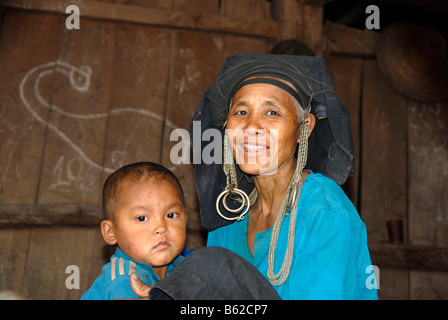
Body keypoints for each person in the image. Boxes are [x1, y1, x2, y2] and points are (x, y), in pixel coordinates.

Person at [130, 54, 378, 300]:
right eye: (240, 112)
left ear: (305, 128)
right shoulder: (229, 217)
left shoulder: (322, 209)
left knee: (208, 264)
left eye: (271, 112)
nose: (251, 127)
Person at [81, 161, 188, 300]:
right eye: (142, 218)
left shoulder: (185, 267)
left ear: (185, 220)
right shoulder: (126, 278)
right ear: (110, 232)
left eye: (171, 215)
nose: (161, 228)